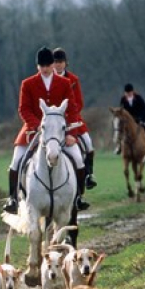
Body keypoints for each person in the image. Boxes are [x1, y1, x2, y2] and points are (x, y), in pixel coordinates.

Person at [3, 47, 89, 213]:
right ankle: (13, 198)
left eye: (48, 65)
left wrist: (71, 134)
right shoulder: (27, 84)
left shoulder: (64, 83)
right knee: (16, 161)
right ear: (37, 66)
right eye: (42, 65)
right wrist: (36, 126)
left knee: (78, 159)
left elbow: (72, 108)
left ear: (52, 65)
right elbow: (24, 109)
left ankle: (79, 197)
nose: (45, 68)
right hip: (33, 130)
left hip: (60, 131)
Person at [52, 48, 97, 191]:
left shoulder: (73, 79)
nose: (58, 65)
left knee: (88, 144)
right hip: (53, 118)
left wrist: (68, 114)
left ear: (65, 63)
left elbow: (79, 102)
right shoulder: (48, 79)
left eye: (61, 62)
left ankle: (89, 175)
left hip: (72, 118)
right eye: (55, 62)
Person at [116, 83, 145, 154]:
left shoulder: (138, 98)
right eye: (126, 93)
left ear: (132, 91)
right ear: (125, 92)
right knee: (120, 129)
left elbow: (144, 110)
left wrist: (141, 119)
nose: (128, 94)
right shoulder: (123, 99)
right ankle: (119, 146)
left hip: (142, 118)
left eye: (129, 92)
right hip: (130, 120)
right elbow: (122, 111)